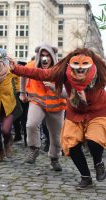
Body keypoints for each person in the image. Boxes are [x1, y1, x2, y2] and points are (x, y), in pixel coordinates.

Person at [10, 48, 106, 190]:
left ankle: (98, 163)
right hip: (75, 112)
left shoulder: (100, 72)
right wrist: (16, 69)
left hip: (97, 111)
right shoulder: (63, 72)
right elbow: (40, 73)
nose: (80, 69)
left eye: (84, 64)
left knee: (94, 140)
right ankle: (86, 177)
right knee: (71, 145)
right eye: (76, 65)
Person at [18, 44, 66, 171]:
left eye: (47, 56)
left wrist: (54, 86)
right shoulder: (32, 65)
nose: (45, 58)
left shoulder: (60, 68)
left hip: (56, 103)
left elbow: (68, 85)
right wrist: (22, 92)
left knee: (56, 134)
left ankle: (54, 158)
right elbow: (23, 73)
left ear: (52, 56)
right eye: (42, 55)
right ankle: (34, 149)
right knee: (31, 124)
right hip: (37, 100)